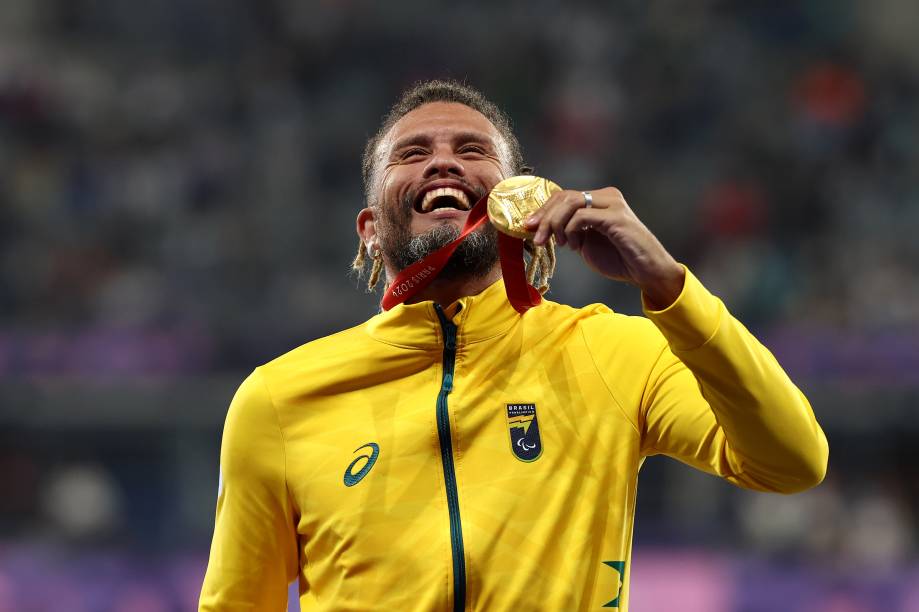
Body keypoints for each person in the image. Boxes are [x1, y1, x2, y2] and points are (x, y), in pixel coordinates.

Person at [199, 80, 828, 611]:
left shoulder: (615, 351)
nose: (443, 163)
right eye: (412, 153)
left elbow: (792, 462)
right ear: (368, 232)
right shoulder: (278, 400)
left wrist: (667, 284)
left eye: (473, 150)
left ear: (515, 202)